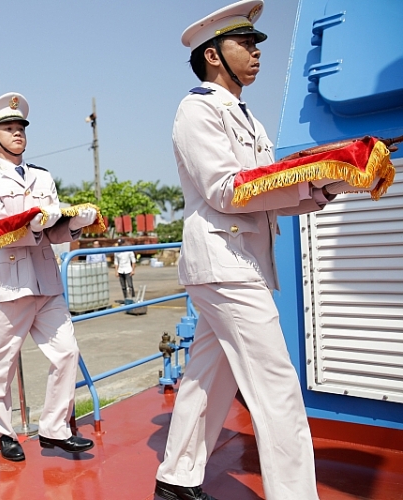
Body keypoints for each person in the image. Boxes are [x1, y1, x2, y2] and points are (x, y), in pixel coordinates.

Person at [153, 2, 335, 499]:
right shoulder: (197, 109)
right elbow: (228, 190)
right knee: (276, 388)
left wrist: (318, 187)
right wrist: (302, 179)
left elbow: (266, 195)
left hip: (237, 262)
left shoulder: (246, 118)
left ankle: (174, 479)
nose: (256, 54)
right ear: (213, 55)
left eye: (256, 45)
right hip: (224, 263)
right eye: (246, 45)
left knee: (205, 380)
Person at [0, 92, 96, 462]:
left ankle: (54, 428)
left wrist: (74, 224)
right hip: (9, 285)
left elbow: (53, 230)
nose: (17, 133)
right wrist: (36, 224)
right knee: (2, 366)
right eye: (8, 128)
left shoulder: (42, 176)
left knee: (67, 353)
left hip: (45, 280)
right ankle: (4, 431)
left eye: (21, 127)